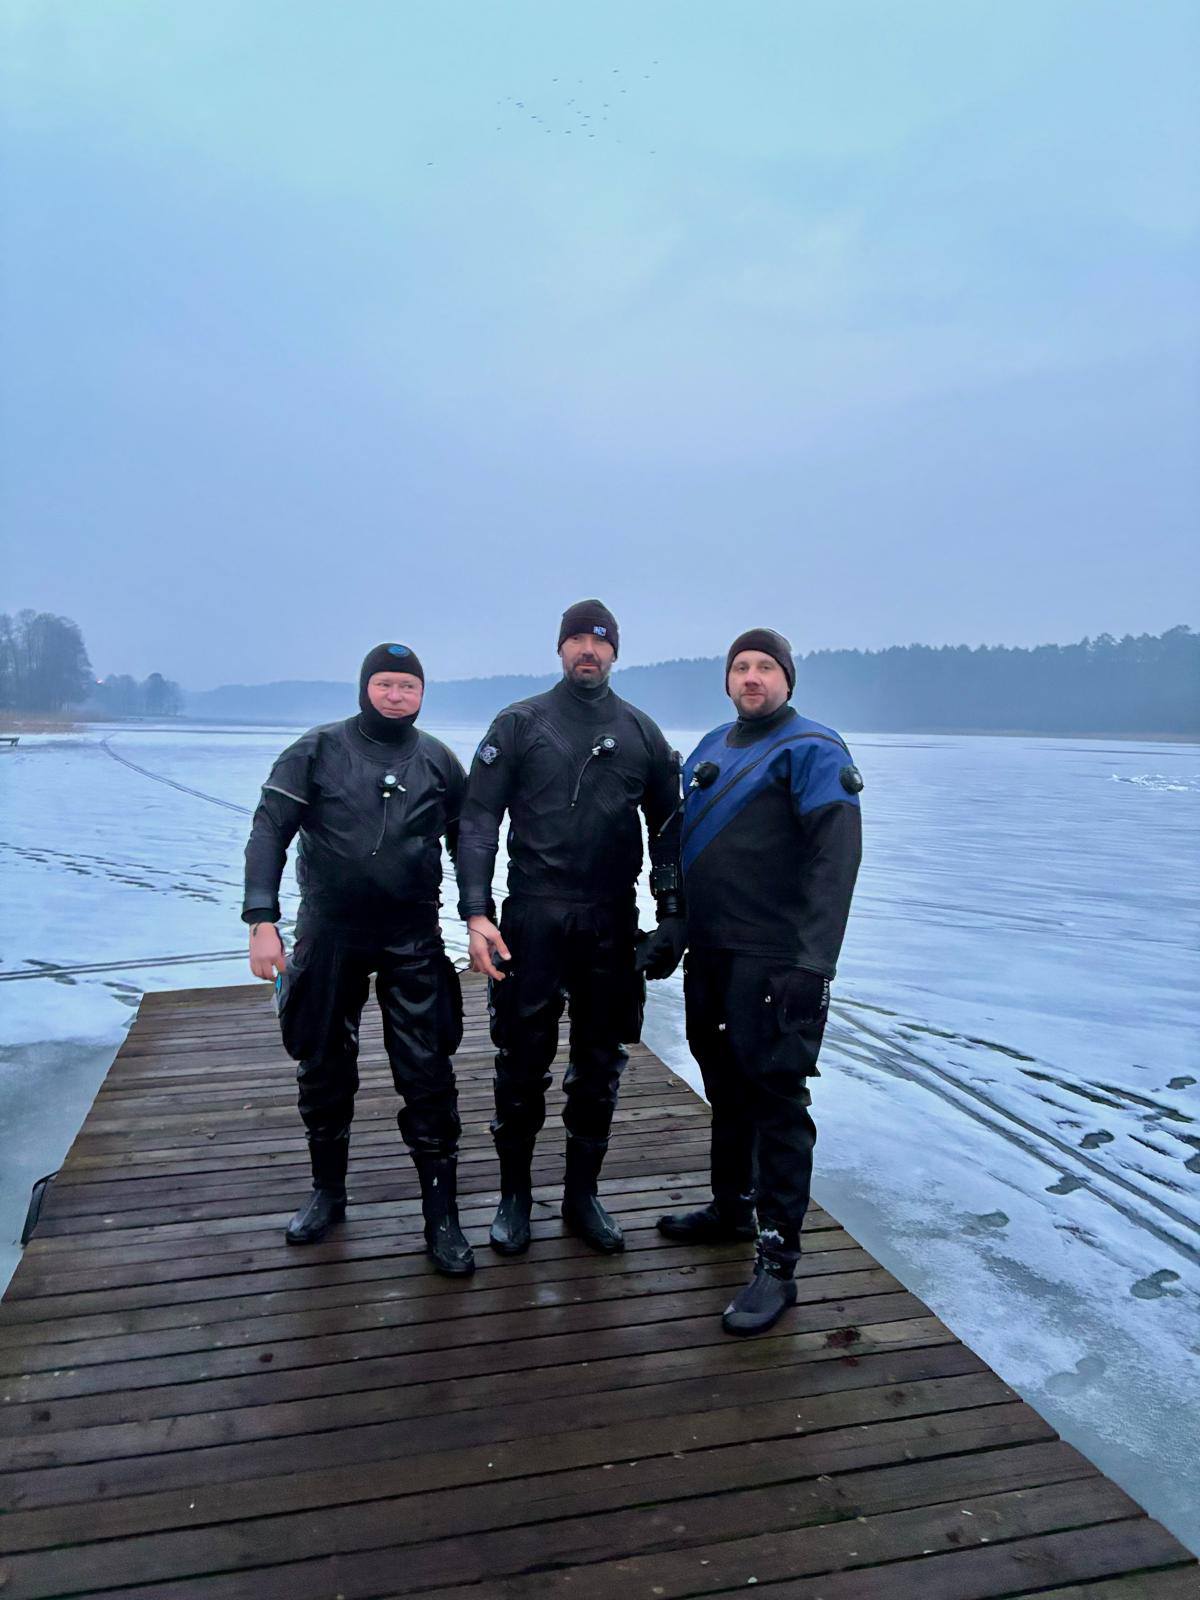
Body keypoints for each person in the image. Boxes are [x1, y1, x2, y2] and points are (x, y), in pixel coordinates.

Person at [639, 628, 862, 1335]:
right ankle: (732, 1208)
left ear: (788, 680)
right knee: (725, 1085)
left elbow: (835, 864)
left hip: (777, 959)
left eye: (766, 667)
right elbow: (677, 841)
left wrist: (813, 965)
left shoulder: (814, 750)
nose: (752, 677)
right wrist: (674, 920)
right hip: (712, 952)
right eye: (741, 666)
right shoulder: (711, 747)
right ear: (727, 680)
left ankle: (777, 1263)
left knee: (776, 1103)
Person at [456, 599, 683, 1256]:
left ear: (616, 652)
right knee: (521, 1061)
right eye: (578, 639)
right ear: (560, 648)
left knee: (600, 1063)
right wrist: (477, 911)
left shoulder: (641, 732)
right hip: (534, 914)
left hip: (611, 916)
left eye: (600, 640)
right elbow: (478, 820)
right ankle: (514, 1197)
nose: (589, 649)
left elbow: (669, 830)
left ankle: (582, 1196)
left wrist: (673, 914)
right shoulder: (520, 724)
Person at [243, 642, 474, 1276]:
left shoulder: (438, 760)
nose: (396, 696)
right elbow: (269, 830)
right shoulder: (316, 750)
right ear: (365, 687)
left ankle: (442, 1218)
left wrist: (477, 915)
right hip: (329, 932)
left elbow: (471, 841)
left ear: (421, 694)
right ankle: (328, 1193)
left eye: (408, 686)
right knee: (322, 1064)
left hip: (412, 935)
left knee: (428, 1072)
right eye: (385, 684)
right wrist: (261, 919)